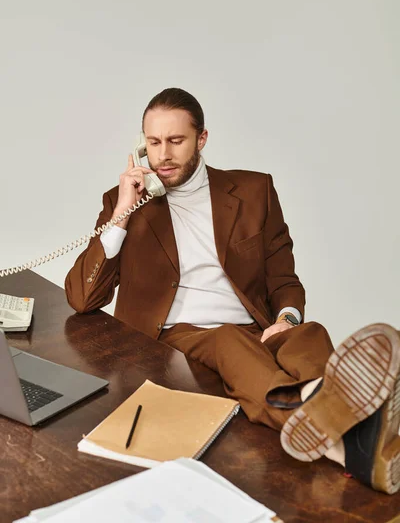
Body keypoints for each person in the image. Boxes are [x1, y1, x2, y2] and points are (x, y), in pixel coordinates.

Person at [65, 87, 400, 495]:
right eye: (153, 143)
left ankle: (344, 441)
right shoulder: (125, 205)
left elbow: (283, 280)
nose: (163, 154)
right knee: (227, 340)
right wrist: (120, 213)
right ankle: (332, 405)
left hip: (254, 329)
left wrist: (284, 320)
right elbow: (83, 299)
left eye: (176, 141)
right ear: (141, 146)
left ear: (201, 139)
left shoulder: (253, 191)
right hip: (177, 336)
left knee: (308, 333)